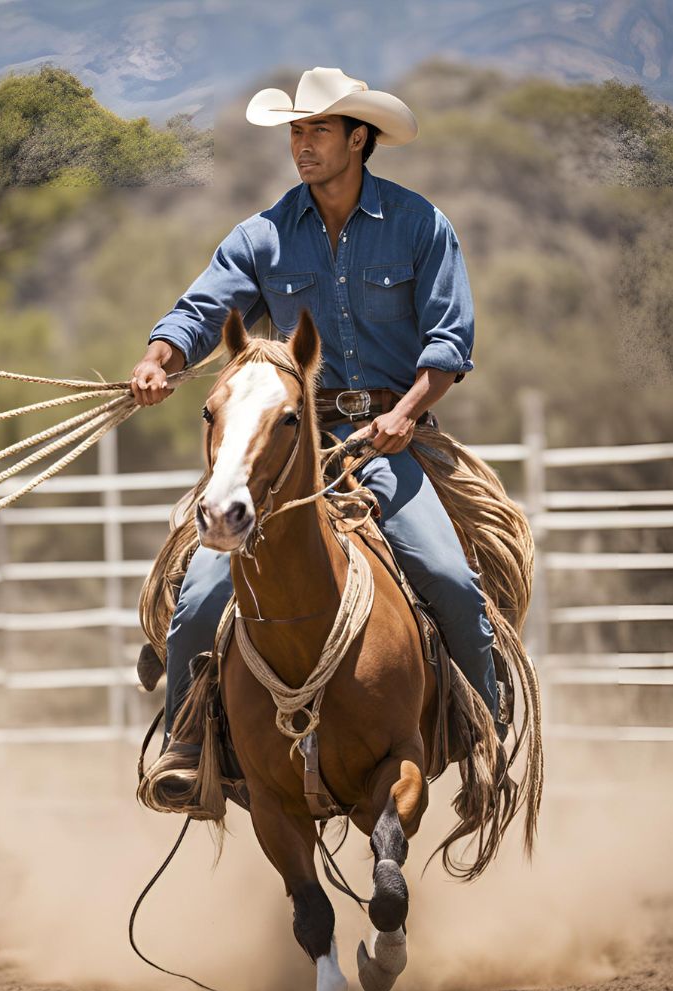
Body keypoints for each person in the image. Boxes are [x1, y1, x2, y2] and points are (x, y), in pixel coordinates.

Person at [130, 67, 499, 794]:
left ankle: (489, 732)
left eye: (317, 130)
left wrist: (404, 413)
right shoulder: (263, 236)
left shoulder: (422, 225)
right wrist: (159, 358)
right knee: (201, 595)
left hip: (388, 441)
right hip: (288, 446)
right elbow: (203, 310)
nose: (301, 144)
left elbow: (449, 345)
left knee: (453, 579)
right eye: (295, 131)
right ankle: (184, 749)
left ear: (359, 139)